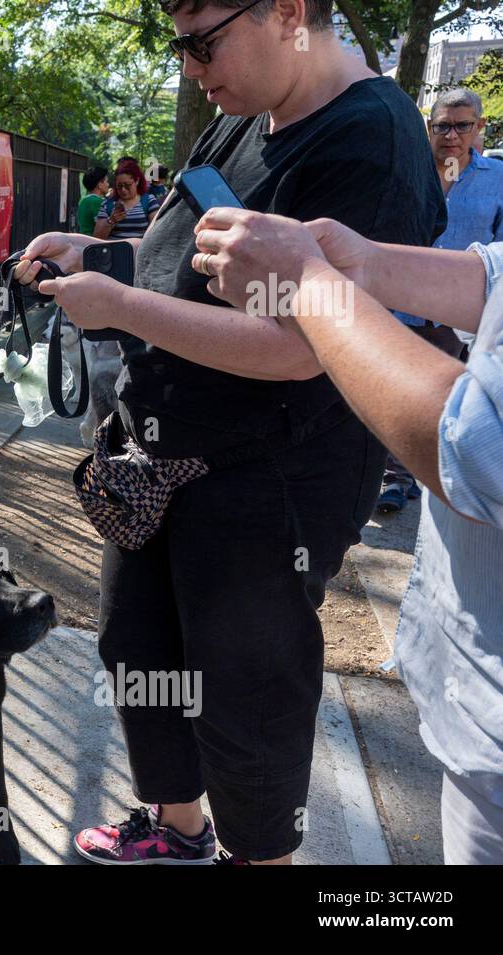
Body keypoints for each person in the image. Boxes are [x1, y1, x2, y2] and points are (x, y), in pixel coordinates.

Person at [15, 0, 445, 865]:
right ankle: (179, 830)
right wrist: (98, 256)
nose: (189, 66)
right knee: (139, 644)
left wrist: (121, 306)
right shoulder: (239, 118)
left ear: (286, 10)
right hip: (158, 451)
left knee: (244, 688)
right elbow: (187, 263)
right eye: (178, 43)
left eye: (202, 40)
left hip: (268, 475)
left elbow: (301, 347)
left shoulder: (371, 140)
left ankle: (264, 858)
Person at [193, 207, 503, 864]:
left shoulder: (370, 132)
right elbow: (496, 276)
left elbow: (476, 443)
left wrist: (306, 280)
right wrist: (366, 264)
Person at [376, 88, 503, 513]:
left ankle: (416, 471)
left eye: (461, 125)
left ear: (479, 127)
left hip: (456, 315)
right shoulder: (404, 171)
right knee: (394, 390)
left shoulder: (497, 179)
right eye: (441, 125)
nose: (450, 135)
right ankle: (395, 476)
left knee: (444, 397)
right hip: (397, 304)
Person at [94, 158, 158, 240]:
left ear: (137, 181)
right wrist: (111, 220)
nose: (123, 190)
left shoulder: (149, 201)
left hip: (139, 252)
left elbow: (156, 232)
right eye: (119, 186)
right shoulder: (107, 204)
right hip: (114, 251)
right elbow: (97, 238)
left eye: (127, 185)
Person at [78, 166, 111, 234]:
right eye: (106, 181)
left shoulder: (83, 201)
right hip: (94, 241)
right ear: (100, 185)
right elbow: (103, 226)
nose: (108, 184)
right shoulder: (97, 201)